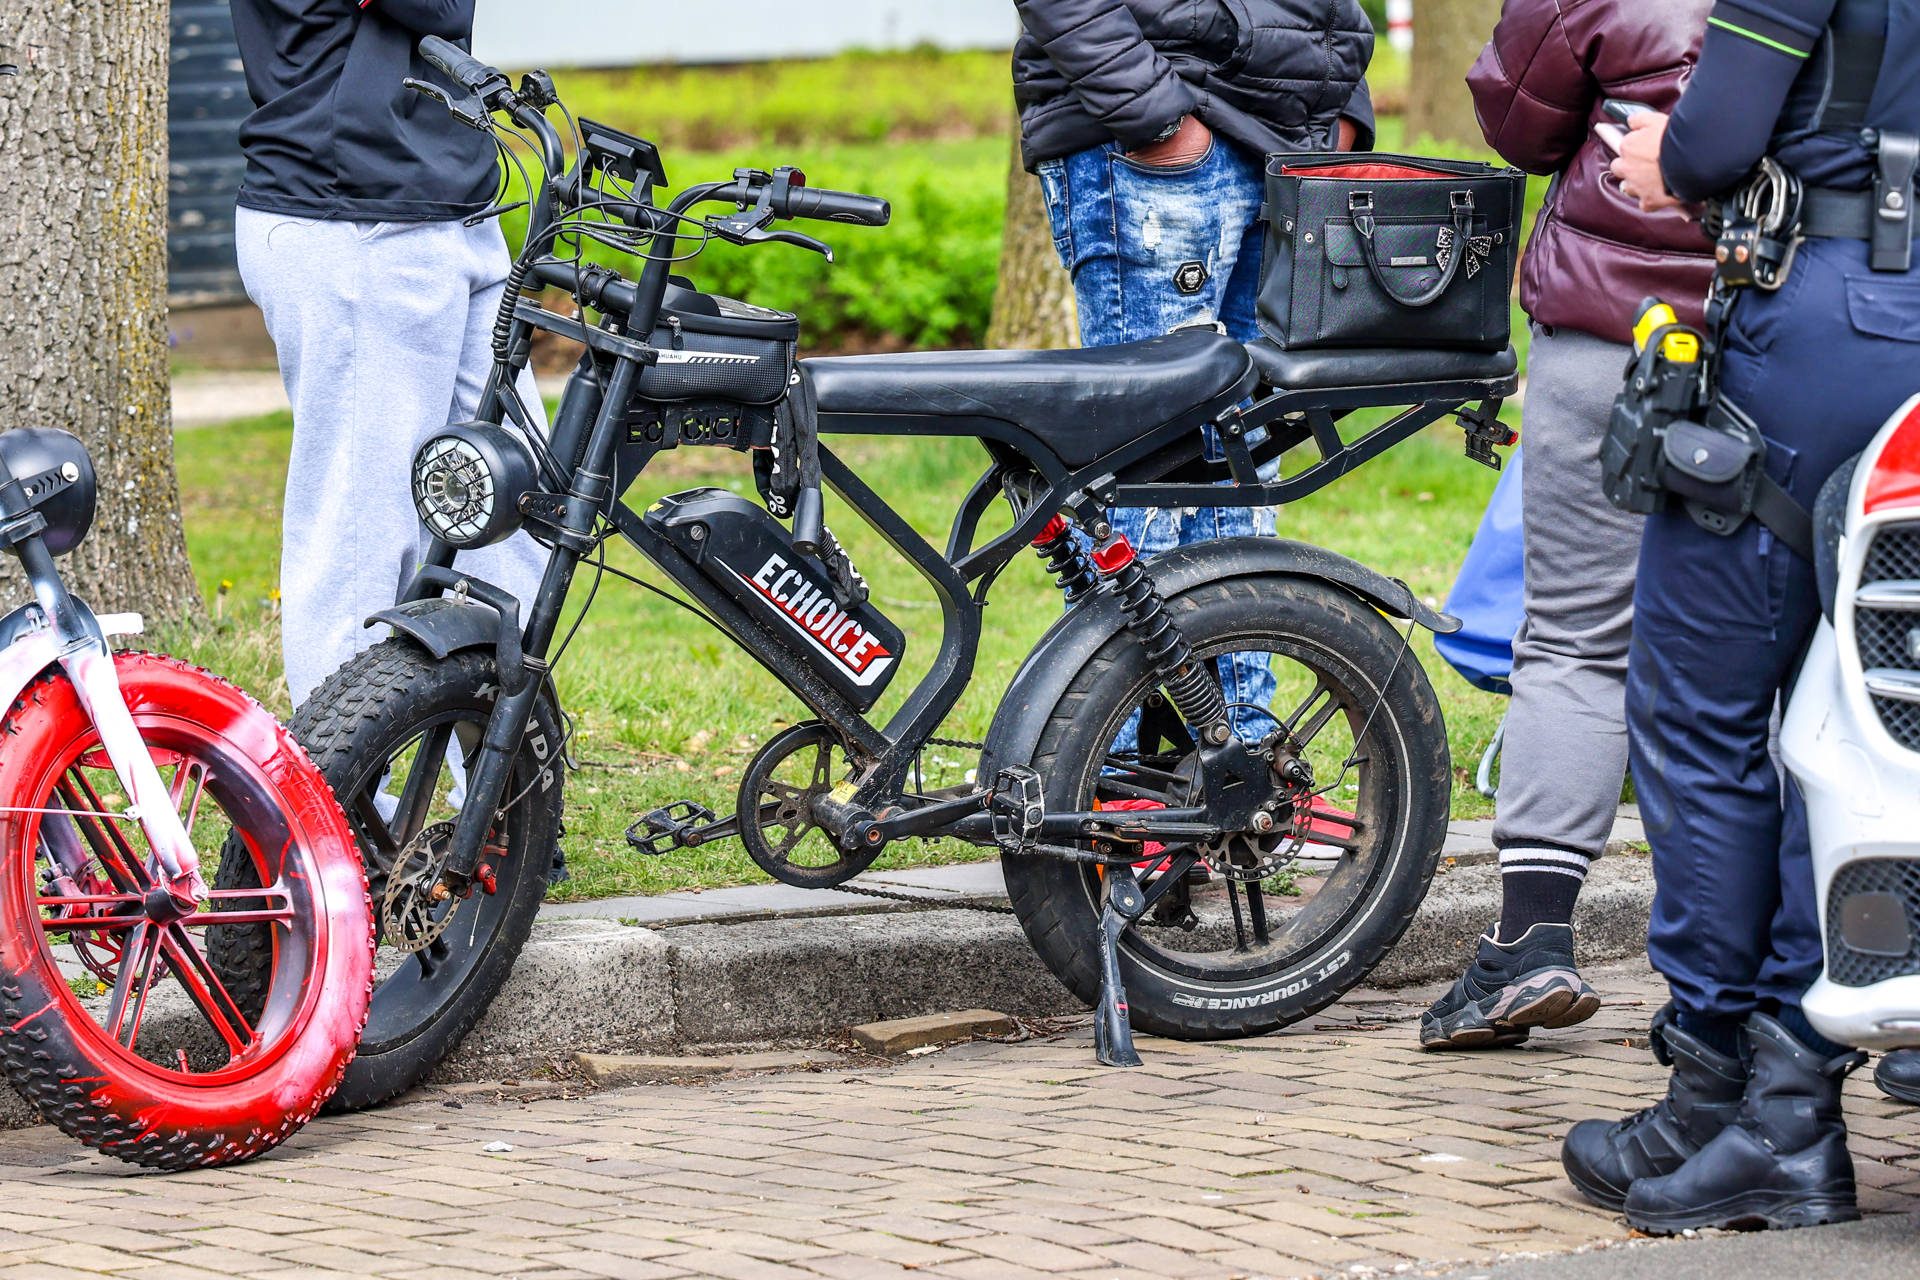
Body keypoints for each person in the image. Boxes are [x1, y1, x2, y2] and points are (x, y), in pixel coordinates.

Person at [1568, 0, 1920, 1232]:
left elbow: (1713, 145)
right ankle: (1790, 1078)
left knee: (1709, 705)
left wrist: (1665, 157)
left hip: (1835, 327)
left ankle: (1733, 1090)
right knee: (1875, 703)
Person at [1420, 0, 1718, 1051]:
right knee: (1768, 657)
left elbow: (1518, 114)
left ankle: (1532, 937)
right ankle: (1726, 980)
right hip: (1781, 331)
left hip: (1615, 331)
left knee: (1578, 641)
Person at [1014, 0, 1373, 729]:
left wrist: (1343, 113)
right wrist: (1157, 121)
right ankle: (1099, 790)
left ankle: (1239, 764)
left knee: (1244, 467)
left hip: (1284, 141)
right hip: (1163, 137)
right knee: (1144, 477)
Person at [230, 0, 548, 710]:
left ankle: (503, 797)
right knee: (360, 539)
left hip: (456, 205)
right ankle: (337, 804)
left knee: (510, 507)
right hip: (352, 216)